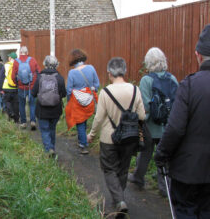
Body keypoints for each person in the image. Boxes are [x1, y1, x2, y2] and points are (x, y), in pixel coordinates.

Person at [155, 25, 210, 218]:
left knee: (186, 211)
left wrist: (161, 154)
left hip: (188, 171)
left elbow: (176, 128)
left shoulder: (190, 85)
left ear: (198, 55)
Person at [87, 57, 145, 215]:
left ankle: (119, 200)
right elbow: (142, 115)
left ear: (109, 73)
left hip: (108, 138)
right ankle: (118, 199)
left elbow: (98, 118)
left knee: (109, 169)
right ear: (124, 71)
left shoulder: (105, 92)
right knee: (123, 169)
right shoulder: (135, 90)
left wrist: (91, 134)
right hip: (130, 137)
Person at [128, 47, 178, 197]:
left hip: (151, 126)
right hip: (169, 126)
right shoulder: (172, 79)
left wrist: (140, 123)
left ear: (148, 63)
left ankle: (138, 178)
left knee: (145, 153)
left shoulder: (146, 80)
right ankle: (165, 187)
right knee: (165, 156)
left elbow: (145, 106)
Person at [31, 55, 66, 157]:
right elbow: (63, 94)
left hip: (42, 110)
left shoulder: (39, 77)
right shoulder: (59, 78)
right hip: (55, 110)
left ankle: (48, 149)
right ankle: (52, 148)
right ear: (56, 65)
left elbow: (33, 93)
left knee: (44, 130)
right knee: (52, 129)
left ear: (45, 64)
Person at [66, 49, 100, 154]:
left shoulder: (72, 73)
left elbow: (69, 90)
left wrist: (68, 101)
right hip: (90, 99)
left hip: (77, 102)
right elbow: (97, 85)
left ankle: (83, 144)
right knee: (85, 119)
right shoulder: (91, 68)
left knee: (80, 121)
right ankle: (84, 139)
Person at [11, 46, 40, 130]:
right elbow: (38, 72)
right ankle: (33, 121)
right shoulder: (32, 60)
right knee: (32, 104)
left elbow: (13, 76)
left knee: (21, 104)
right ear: (27, 53)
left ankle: (23, 122)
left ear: (20, 53)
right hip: (32, 87)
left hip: (21, 87)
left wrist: (17, 83)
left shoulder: (16, 62)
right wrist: (35, 83)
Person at [3, 52, 19, 123]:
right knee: (15, 103)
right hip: (15, 87)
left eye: (9, 57)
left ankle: (11, 114)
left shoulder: (6, 65)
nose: (8, 58)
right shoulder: (18, 65)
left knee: (7, 101)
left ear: (11, 58)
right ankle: (16, 119)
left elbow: (2, 76)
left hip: (7, 87)